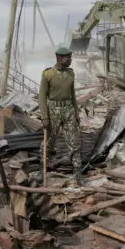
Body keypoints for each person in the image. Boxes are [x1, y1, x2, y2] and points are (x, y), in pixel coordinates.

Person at [38, 47, 82, 184]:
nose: (70, 60)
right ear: (59, 58)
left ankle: (78, 171)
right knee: (49, 141)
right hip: (53, 110)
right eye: (67, 57)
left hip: (68, 109)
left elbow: (73, 94)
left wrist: (76, 113)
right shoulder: (48, 74)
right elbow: (41, 96)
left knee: (74, 141)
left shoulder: (71, 73)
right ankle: (43, 168)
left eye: (70, 56)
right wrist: (45, 117)